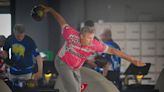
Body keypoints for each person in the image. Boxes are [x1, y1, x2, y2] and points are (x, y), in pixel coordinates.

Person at [42, 5, 145, 92]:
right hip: (62, 62)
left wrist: (133, 60)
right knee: (73, 90)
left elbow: (113, 51)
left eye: (92, 38)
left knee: (78, 89)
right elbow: (62, 21)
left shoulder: (95, 44)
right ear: (81, 36)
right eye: (89, 38)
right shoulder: (71, 35)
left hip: (76, 67)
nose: (91, 41)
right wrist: (51, 10)